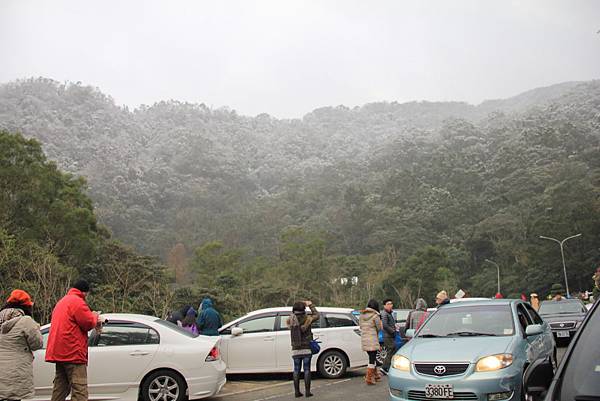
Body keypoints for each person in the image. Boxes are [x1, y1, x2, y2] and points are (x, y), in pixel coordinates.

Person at [46, 279, 101, 401]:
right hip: (72, 352)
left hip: (58, 352)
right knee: (79, 390)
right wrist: (95, 315)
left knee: (60, 388)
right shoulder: (78, 302)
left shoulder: (62, 301)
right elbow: (88, 323)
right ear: (85, 292)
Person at [0, 289, 44, 401]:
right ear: (26, 306)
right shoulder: (26, 321)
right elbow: (37, 344)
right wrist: (36, 329)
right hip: (17, 372)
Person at [287, 300, 319, 398]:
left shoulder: (290, 320)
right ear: (303, 309)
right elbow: (317, 315)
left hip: (296, 347)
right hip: (306, 347)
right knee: (307, 369)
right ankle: (307, 392)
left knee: (296, 369)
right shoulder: (307, 318)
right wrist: (311, 305)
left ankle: (297, 392)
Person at [359, 299, 383, 385]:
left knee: (372, 357)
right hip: (372, 339)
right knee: (372, 359)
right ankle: (369, 378)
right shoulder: (375, 316)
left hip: (364, 339)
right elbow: (379, 328)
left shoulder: (361, 315)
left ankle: (376, 375)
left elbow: (361, 326)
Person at [380, 299, 396, 375]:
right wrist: (392, 331)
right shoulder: (384, 313)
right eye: (388, 304)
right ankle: (384, 367)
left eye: (391, 303)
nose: (390, 305)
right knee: (391, 350)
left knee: (392, 350)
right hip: (387, 336)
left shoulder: (389, 313)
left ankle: (387, 367)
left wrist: (395, 327)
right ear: (384, 305)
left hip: (390, 335)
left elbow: (390, 323)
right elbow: (385, 325)